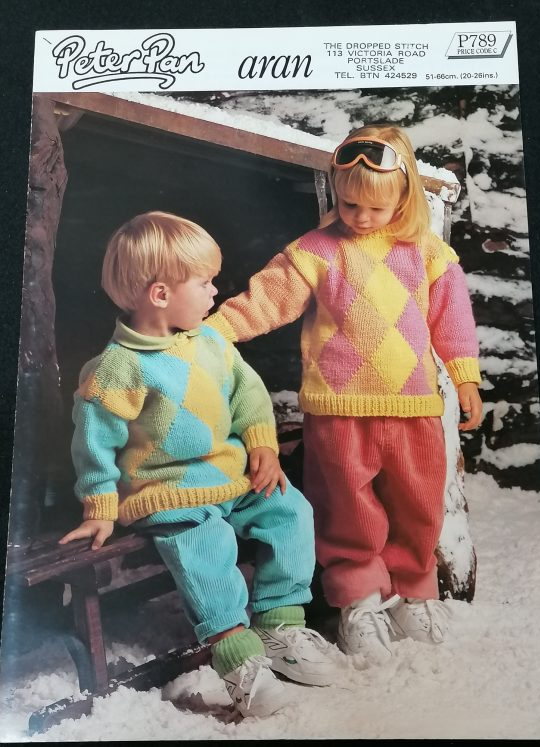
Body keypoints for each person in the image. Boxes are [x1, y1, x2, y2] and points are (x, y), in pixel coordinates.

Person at [206, 125, 483, 662]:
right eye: (349, 203)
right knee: (347, 509)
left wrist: (465, 376)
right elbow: (266, 300)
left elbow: (453, 321)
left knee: (419, 504)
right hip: (337, 410)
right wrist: (212, 331)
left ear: (404, 197)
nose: (360, 217)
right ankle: (359, 601)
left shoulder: (429, 252)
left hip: (414, 406)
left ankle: (413, 591)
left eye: (376, 208)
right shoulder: (316, 250)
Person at [59, 211, 338, 718]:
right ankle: (236, 655)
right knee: (205, 548)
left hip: (231, 475)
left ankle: (279, 622)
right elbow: (93, 443)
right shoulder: (118, 368)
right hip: (169, 490)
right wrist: (99, 506)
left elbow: (248, 394)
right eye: (205, 282)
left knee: (291, 512)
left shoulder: (211, 341)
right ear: (160, 294)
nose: (215, 292)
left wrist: (262, 444)